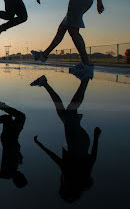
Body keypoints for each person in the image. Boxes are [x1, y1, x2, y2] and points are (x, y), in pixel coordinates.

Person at [30, 75, 102, 203]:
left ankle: (45, 83)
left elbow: (93, 157)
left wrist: (95, 137)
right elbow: (54, 157)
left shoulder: (82, 177)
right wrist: (39, 144)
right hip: (75, 140)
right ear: (68, 189)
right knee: (70, 110)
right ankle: (85, 80)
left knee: (62, 112)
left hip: (83, 141)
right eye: (62, 188)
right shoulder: (71, 175)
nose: (61, 185)